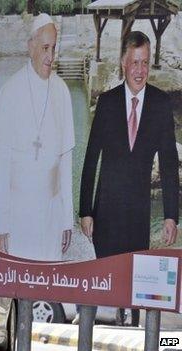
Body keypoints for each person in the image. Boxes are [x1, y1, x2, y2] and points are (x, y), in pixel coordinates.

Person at [79, 31, 179, 327]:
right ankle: (98, 334)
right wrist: (86, 210)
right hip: (106, 212)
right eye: (134, 62)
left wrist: (171, 215)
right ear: (123, 62)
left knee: (138, 285)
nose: (140, 70)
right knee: (107, 283)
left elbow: (170, 164)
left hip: (139, 214)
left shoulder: (160, 104)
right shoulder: (107, 103)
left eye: (145, 63)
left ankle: (134, 333)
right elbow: (90, 158)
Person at [0, 13, 75, 261]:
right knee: (20, 287)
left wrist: (67, 217)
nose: (50, 56)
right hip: (18, 216)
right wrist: (0, 227)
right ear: (31, 46)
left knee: (48, 287)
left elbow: (65, 162)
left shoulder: (62, 91)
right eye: (45, 48)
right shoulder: (10, 91)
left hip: (51, 214)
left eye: (54, 48)